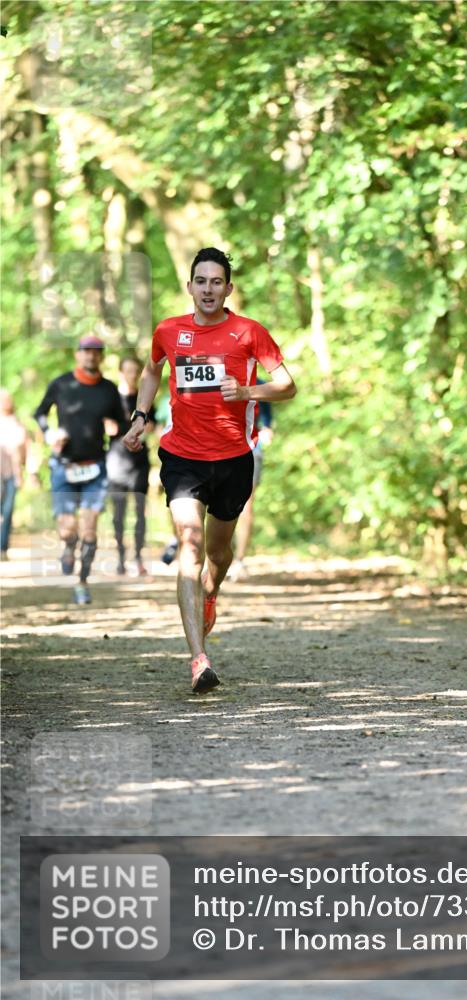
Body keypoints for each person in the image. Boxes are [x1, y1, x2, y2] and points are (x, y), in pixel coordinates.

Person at [123, 246, 296, 694]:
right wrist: (140, 418)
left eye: (216, 282)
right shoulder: (168, 330)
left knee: (218, 554)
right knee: (190, 543)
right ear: (190, 286)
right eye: (201, 281)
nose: (208, 289)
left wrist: (247, 392)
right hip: (182, 457)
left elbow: (287, 385)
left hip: (234, 458)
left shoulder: (248, 332)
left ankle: (210, 594)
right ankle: (198, 659)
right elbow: (150, 371)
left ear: (228, 288)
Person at [34, 335, 126, 605]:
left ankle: (82, 582)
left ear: (102, 357)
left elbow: (120, 424)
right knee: (68, 530)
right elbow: (40, 413)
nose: (91, 356)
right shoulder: (61, 384)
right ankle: (67, 546)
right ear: (78, 355)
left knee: (89, 530)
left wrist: (116, 429)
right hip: (63, 465)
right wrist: (49, 433)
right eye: (86, 352)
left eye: (96, 352)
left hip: (95, 467)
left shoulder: (109, 389)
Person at [106, 356, 156, 576]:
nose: (132, 375)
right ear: (120, 373)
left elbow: (152, 425)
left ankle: (137, 557)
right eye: (128, 371)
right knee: (118, 513)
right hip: (116, 462)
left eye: (136, 371)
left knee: (140, 510)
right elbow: (107, 428)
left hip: (139, 462)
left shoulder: (144, 399)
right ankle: (120, 557)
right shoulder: (111, 399)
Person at [227, 391, 273, 581]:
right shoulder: (216, 373)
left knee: (246, 506)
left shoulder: (262, 385)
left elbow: (268, 423)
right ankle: (220, 558)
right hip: (219, 450)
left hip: (251, 450)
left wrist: (267, 432)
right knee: (218, 505)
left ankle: (239, 561)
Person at [0, 389, 28, 560]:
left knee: (8, 511)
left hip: (13, 474)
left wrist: (27, 472)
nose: (6, 402)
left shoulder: (18, 423)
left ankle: (2, 547)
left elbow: (26, 449)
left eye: (7, 399)